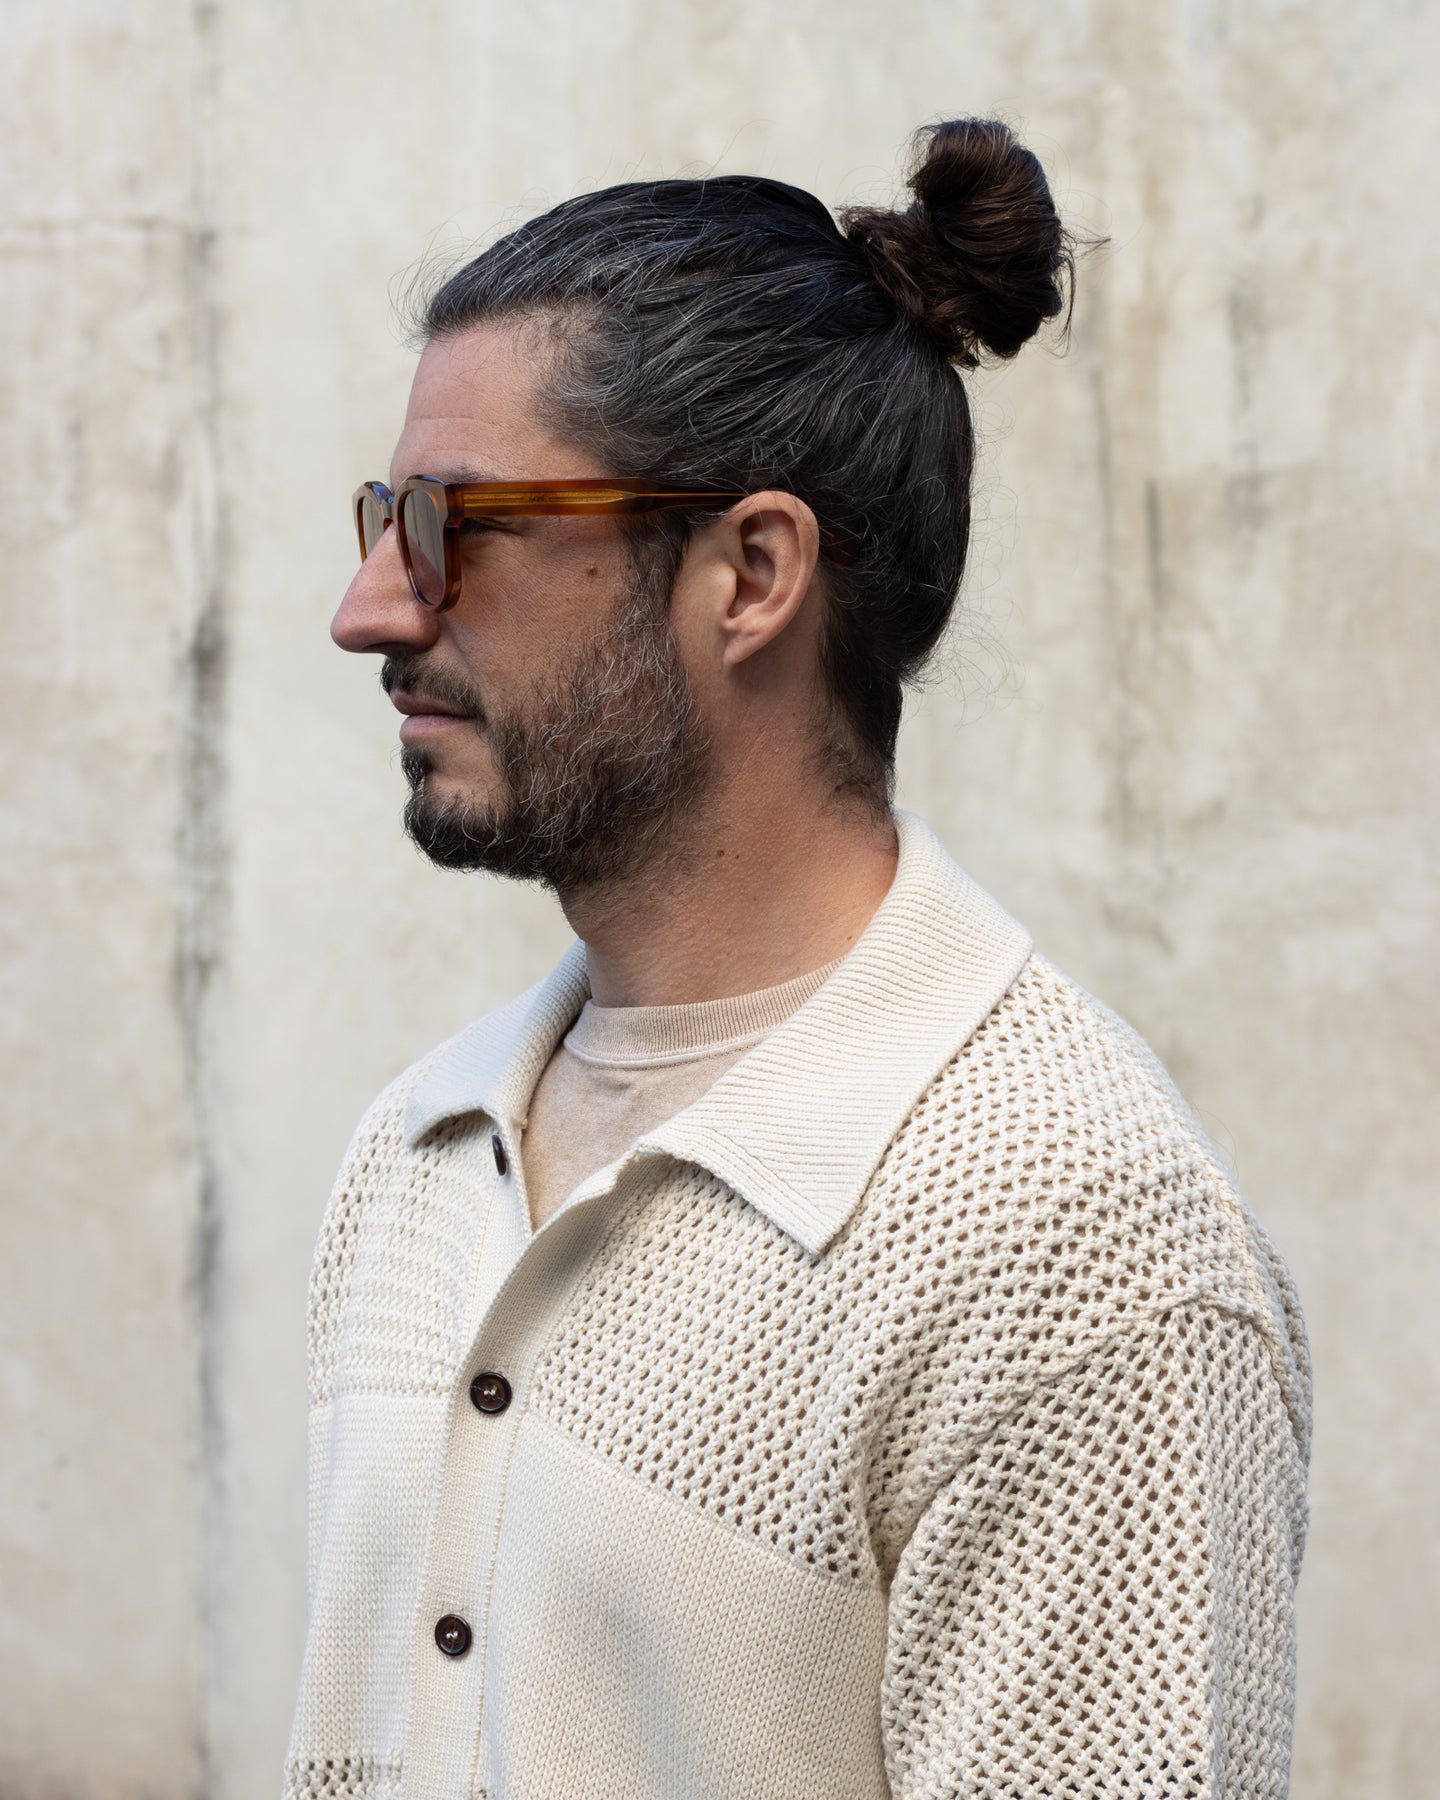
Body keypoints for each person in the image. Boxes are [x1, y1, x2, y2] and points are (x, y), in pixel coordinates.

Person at [286, 119, 1311, 1799]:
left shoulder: (1076, 1241)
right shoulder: (417, 1160)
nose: (372, 609)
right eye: (383, 517)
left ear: (752, 573)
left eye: (457, 524)